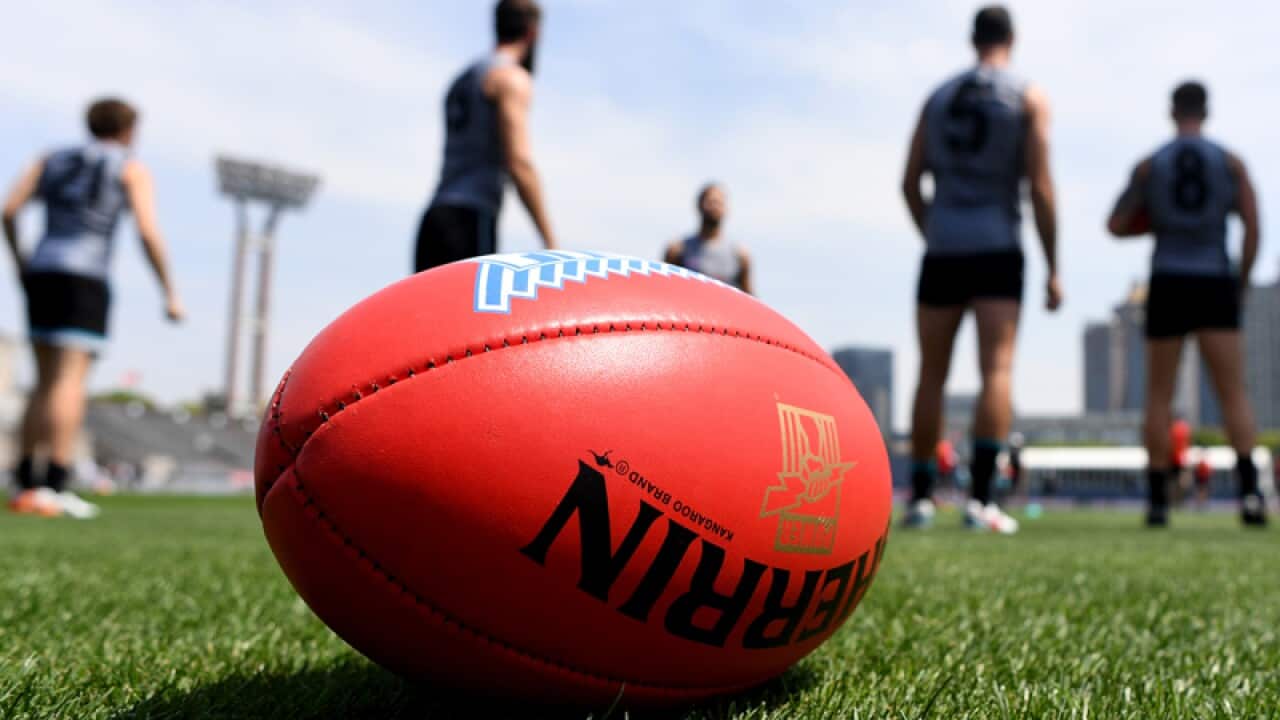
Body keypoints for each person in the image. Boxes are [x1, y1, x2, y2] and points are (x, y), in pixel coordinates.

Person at [900, 5, 1060, 533]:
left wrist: (936, 232)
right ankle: (982, 501)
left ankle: (920, 499)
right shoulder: (1028, 95)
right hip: (997, 245)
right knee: (997, 369)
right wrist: (1054, 264)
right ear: (1011, 39)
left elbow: (909, 182)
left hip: (943, 246)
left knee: (930, 373)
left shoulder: (938, 97)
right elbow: (1039, 185)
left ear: (973, 39)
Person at [2, 97, 183, 518]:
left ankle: (26, 483)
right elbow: (147, 230)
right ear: (129, 131)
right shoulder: (130, 167)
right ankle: (56, 483)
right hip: (85, 276)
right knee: (69, 379)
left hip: (43, 270)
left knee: (43, 379)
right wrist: (169, 290)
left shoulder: (50, 160)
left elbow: (9, 210)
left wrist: (21, 262)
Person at [1107, 80, 1265, 527]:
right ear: (1207, 111)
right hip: (1215, 276)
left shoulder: (1150, 165)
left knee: (1158, 394)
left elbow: (1116, 223)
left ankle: (1158, 500)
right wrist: (1243, 280)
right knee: (1233, 392)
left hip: (1170, 277)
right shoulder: (1231, 162)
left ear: (1172, 111)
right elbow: (1253, 225)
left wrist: (1154, 220)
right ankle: (1251, 494)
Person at [414, 0, 557, 273]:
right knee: (470, 315)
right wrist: (549, 240)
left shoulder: (463, 79)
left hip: (434, 218)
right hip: (469, 218)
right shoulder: (510, 78)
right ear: (532, 33)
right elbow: (519, 162)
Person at [664, 183, 753, 293]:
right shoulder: (678, 250)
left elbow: (749, 296)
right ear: (699, 205)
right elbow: (664, 289)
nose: (714, 206)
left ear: (726, 209)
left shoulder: (740, 255)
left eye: (719, 203)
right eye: (710, 202)